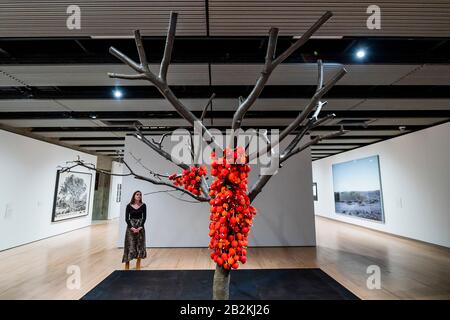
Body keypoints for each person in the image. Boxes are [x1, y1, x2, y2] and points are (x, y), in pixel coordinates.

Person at [122, 190, 147, 270]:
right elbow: (126, 218)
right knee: (130, 245)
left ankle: (138, 265)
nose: (139, 196)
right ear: (134, 196)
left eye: (140, 195)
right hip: (131, 227)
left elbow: (144, 217)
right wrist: (131, 227)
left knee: (140, 245)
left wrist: (140, 227)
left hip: (140, 227)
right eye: (137, 194)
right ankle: (127, 265)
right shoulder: (128, 206)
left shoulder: (143, 205)